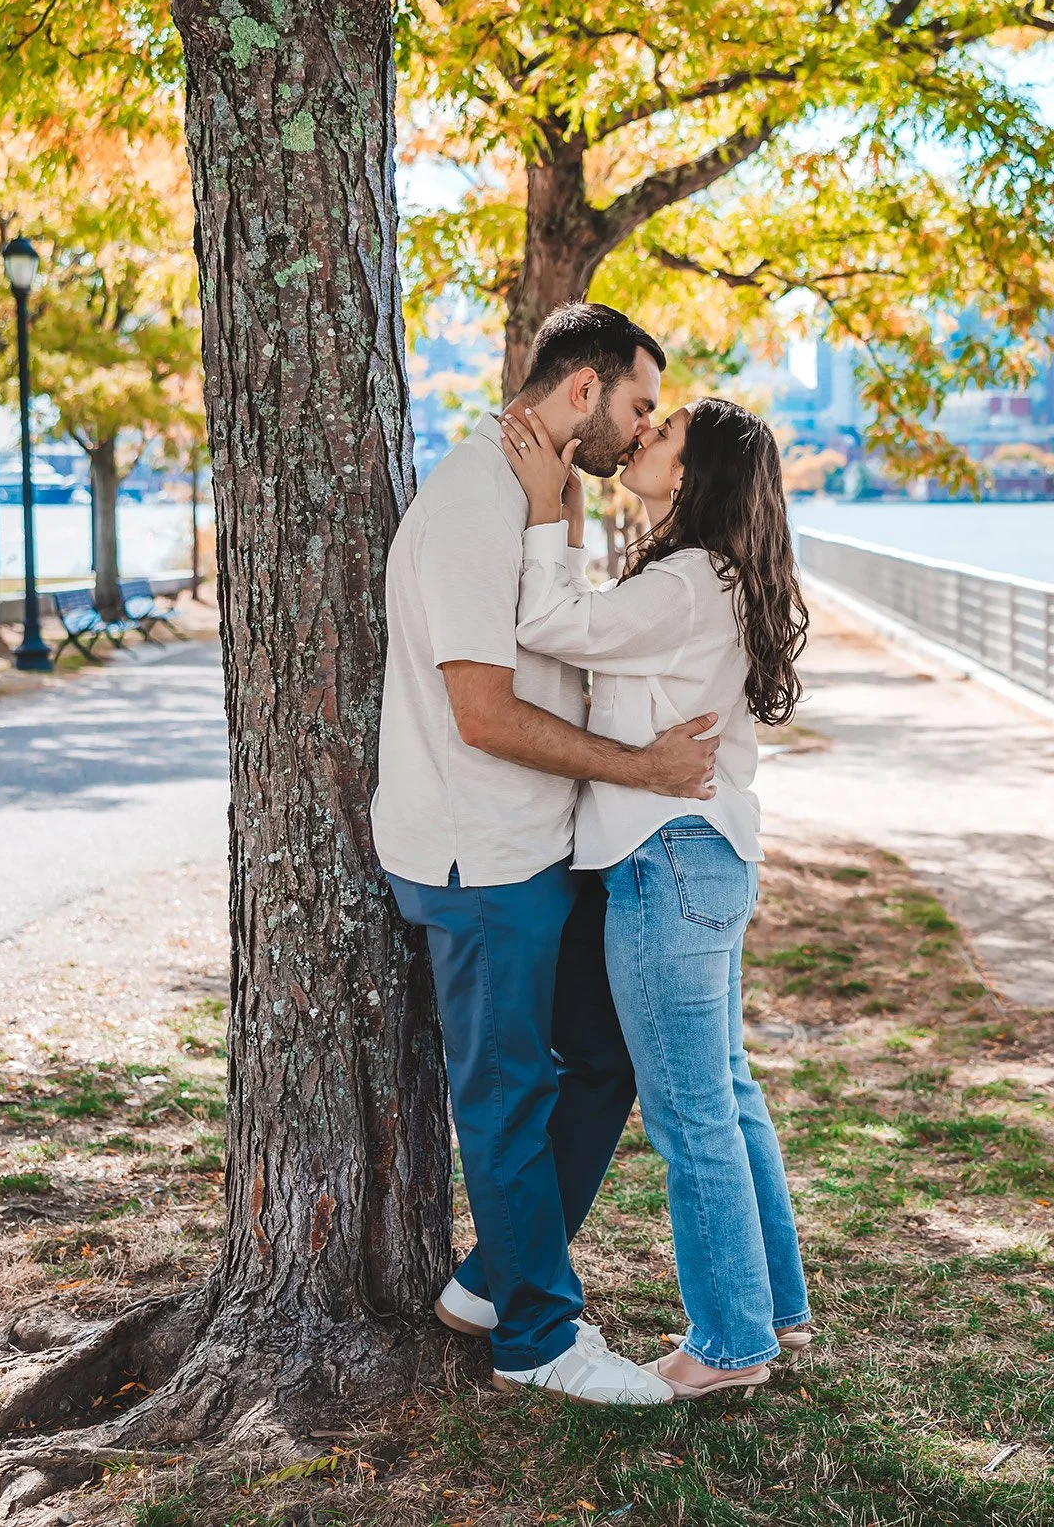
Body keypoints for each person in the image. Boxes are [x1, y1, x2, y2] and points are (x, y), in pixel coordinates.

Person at [373, 302, 716, 1408]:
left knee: (605, 1054)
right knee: (509, 1094)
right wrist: (643, 767)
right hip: (478, 857)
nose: (644, 425)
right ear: (582, 392)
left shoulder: (542, 496)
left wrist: (561, 527)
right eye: (639, 404)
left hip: (537, 848)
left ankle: (488, 1279)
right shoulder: (477, 503)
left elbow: (559, 636)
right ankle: (535, 1335)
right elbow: (482, 711)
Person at [497, 393, 812, 1400]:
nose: (641, 436)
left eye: (662, 431)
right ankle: (777, 1308)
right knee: (724, 1091)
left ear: (696, 472)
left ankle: (728, 1342)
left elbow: (552, 621)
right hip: (702, 858)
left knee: (690, 1116)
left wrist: (549, 507)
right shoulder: (706, 577)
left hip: (665, 859)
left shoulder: (687, 580)